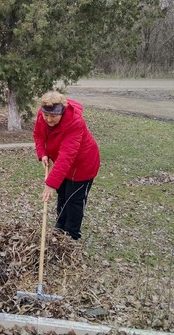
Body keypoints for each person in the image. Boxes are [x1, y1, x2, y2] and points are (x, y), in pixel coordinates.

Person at [32, 90, 100, 240]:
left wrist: (50, 183)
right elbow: (38, 135)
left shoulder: (75, 123)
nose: (48, 119)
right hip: (63, 165)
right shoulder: (42, 114)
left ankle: (72, 235)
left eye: (53, 116)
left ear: (62, 112)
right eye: (46, 115)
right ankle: (60, 228)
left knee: (74, 200)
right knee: (62, 195)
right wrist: (42, 153)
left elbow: (66, 156)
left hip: (83, 164)